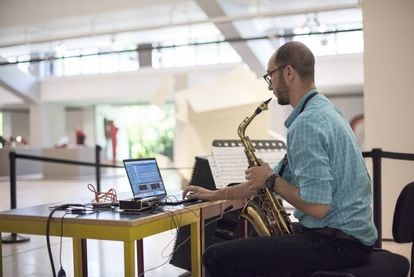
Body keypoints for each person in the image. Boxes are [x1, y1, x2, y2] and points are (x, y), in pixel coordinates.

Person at [182, 41, 377, 277]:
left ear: (288, 72)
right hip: (350, 237)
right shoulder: (325, 110)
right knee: (255, 240)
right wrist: (216, 194)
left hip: (336, 242)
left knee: (215, 256)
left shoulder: (306, 124)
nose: (270, 86)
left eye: (270, 76)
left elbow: (317, 207)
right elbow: (269, 179)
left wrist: (272, 180)